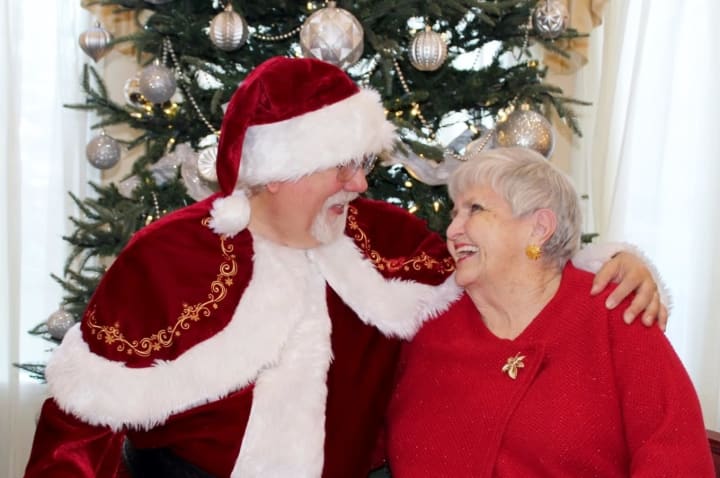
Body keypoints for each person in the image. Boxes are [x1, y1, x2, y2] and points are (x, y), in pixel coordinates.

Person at [25, 58, 664, 478]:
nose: (360, 183)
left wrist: (611, 263)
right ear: (279, 171)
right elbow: (79, 427)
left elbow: (502, 267)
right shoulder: (167, 259)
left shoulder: (377, 234)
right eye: (344, 165)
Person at [386, 147, 714, 477]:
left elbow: (677, 456)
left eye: (475, 209)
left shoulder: (614, 315)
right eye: (455, 213)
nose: (453, 230)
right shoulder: (431, 327)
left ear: (539, 228)